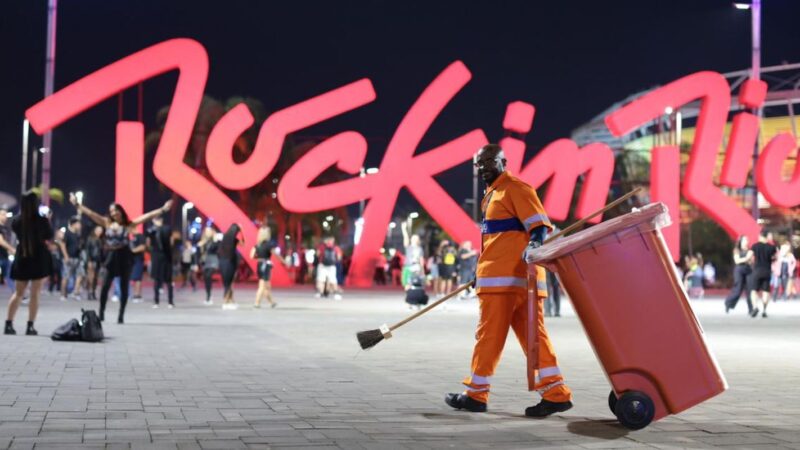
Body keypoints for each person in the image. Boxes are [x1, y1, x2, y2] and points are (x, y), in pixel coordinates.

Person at [445, 144, 572, 417]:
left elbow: (538, 225)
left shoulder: (514, 188)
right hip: (507, 280)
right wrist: (481, 273)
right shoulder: (493, 194)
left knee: (489, 337)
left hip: (509, 281)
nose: (483, 169)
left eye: (489, 163)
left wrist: (535, 242)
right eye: (480, 165)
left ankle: (476, 395)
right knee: (534, 339)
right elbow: (498, 241)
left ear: (503, 162)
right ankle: (555, 393)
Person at [71, 193, 172, 323]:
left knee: (124, 287)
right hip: (111, 257)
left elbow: (147, 217)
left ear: (120, 211)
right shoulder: (106, 222)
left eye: (115, 210)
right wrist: (77, 205)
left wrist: (163, 209)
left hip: (124, 256)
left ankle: (121, 315)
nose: (113, 213)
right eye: (111, 211)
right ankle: (102, 312)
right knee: (105, 286)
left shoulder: (128, 225)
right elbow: (91, 213)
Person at [5, 192, 53, 335]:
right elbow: (49, 236)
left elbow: (17, 230)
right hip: (38, 258)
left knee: (18, 293)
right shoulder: (42, 220)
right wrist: (48, 220)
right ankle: (30, 326)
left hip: (23, 256)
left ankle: (8, 324)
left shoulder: (16, 221)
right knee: (35, 293)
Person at [147, 216, 175, 308]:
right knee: (156, 279)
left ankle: (170, 302)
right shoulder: (151, 230)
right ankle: (156, 301)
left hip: (166, 257)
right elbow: (148, 240)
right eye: (155, 220)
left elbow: (170, 241)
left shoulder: (167, 228)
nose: (157, 221)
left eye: (158, 219)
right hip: (156, 257)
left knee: (168, 280)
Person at [749, 231, 777, 318]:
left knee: (754, 290)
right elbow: (774, 258)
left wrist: (751, 263)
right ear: (767, 237)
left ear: (760, 236)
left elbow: (750, 256)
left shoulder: (755, 246)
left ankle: (755, 307)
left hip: (757, 270)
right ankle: (764, 310)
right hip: (767, 271)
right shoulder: (772, 247)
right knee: (766, 291)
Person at [724, 236, 754, 315]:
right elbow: (737, 261)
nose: (746, 241)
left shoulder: (750, 251)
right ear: (740, 241)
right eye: (744, 240)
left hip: (748, 270)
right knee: (738, 289)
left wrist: (749, 259)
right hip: (739, 270)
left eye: (747, 240)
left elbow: (751, 262)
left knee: (749, 290)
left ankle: (751, 309)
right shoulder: (737, 250)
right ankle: (728, 303)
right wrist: (747, 258)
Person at [251, 226, 278, 308]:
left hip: (259, 264)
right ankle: (257, 302)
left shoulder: (257, 246)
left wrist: (259, 257)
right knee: (263, 286)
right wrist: (284, 262)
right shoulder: (269, 245)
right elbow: (276, 255)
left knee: (266, 285)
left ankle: (271, 302)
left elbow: (251, 256)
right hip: (265, 265)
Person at [58, 216, 85, 301]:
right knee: (66, 276)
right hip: (68, 258)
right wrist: (66, 256)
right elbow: (62, 245)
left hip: (77, 258)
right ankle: (63, 294)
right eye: (78, 223)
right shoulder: (67, 233)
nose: (80, 225)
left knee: (80, 275)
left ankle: (75, 293)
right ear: (74, 224)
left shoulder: (78, 234)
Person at [219, 223, 244, 310]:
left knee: (227, 283)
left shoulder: (225, 238)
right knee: (229, 283)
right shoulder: (234, 239)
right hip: (230, 263)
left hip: (223, 262)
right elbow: (243, 244)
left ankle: (229, 301)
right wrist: (242, 233)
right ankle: (225, 302)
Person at [198, 226, 220, 305]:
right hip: (205, 261)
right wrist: (200, 246)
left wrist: (215, 240)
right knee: (206, 278)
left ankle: (209, 296)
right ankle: (208, 295)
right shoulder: (203, 241)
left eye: (209, 231)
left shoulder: (215, 240)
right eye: (206, 231)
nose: (208, 233)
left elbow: (217, 248)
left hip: (213, 259)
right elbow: (199, 252)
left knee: (208, 275)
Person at [400, 222, 424, 287]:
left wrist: (422, 270)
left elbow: (421, 260)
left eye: (415, 238)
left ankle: (413, 294)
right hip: (407, 266)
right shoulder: (408, 247)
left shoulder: (420, 249)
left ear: (418, 240)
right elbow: (405, 237)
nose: (413, 239)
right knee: (405, 283)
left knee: (414, 282)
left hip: (416, 267)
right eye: (413, 237)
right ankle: (409, 295)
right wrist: (404, 229)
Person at [85, 225, 104, 300]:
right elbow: (87, 250)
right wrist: (89, 261)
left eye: (101, 230)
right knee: (91, 278)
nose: (100, 232)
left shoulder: (101, 239)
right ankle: (90, 292)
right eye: (98, 230)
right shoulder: (90, 238)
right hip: (91, 260)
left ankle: (93, 292)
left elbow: (101, 252)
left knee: (96, 278)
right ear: (95, 230)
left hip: (98, 261)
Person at [0, 208, 16, 293]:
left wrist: (9, 251)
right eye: (2, 214)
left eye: (5, 214)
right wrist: (11, 249)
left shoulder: (5, 228)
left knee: (10, 276)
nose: (5, 216)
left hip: (4, 255)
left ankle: (18, 295)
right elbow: (1, 241)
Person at [129, 232, 146, 303]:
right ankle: (135, 294)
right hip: (132, 260)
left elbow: (143, 247)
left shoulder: (140, 236)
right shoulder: (130, 237)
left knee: (138, 278)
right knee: (134, 278)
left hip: (138, 259)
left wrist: (132, 251)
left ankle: (137, 295)